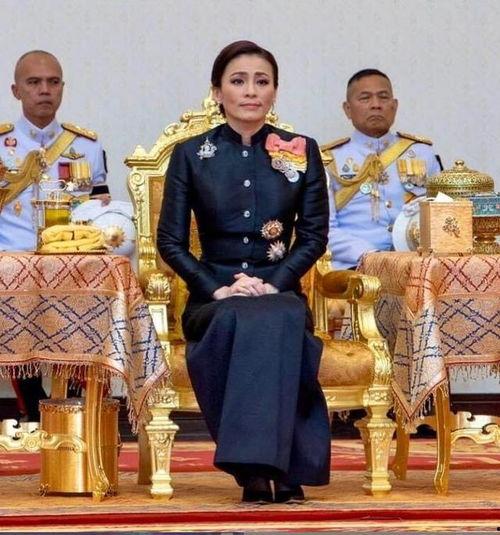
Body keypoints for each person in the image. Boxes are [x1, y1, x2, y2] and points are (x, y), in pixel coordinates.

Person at [157, 40, 331, 504]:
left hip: (279, 290)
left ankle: (269, 468)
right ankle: (263, 469)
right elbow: (169, 242)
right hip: (214, 298)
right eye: (238, 81)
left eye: (262, 81)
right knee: (245, 318)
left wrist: (273, 283)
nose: (251, 91)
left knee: (281, 315)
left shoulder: (303, 151)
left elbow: (313, 236)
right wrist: (216, 289)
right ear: (217, 92)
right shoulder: (191, 154)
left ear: (275, 91)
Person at [0, 50, 110, 421]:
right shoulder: (1, 144)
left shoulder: (87, 146)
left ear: (62, 87)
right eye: (34, 82)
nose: (44, 90)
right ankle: (33, 409)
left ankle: (76, 407)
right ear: (16, 90)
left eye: (53, 82)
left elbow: (99, 210)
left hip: (71, 263)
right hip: (11, 264)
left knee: (97, 288)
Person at [322, 68, 443, 270]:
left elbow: (442, 215)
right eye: (365, 98)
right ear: (347, 109)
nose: (376, 105)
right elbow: (323, 229)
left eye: (383, 97)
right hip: (355, 267)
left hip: (416, 265)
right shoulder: (328, 159)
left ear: (394, 106)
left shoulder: (423, 154)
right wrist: (372, 256)